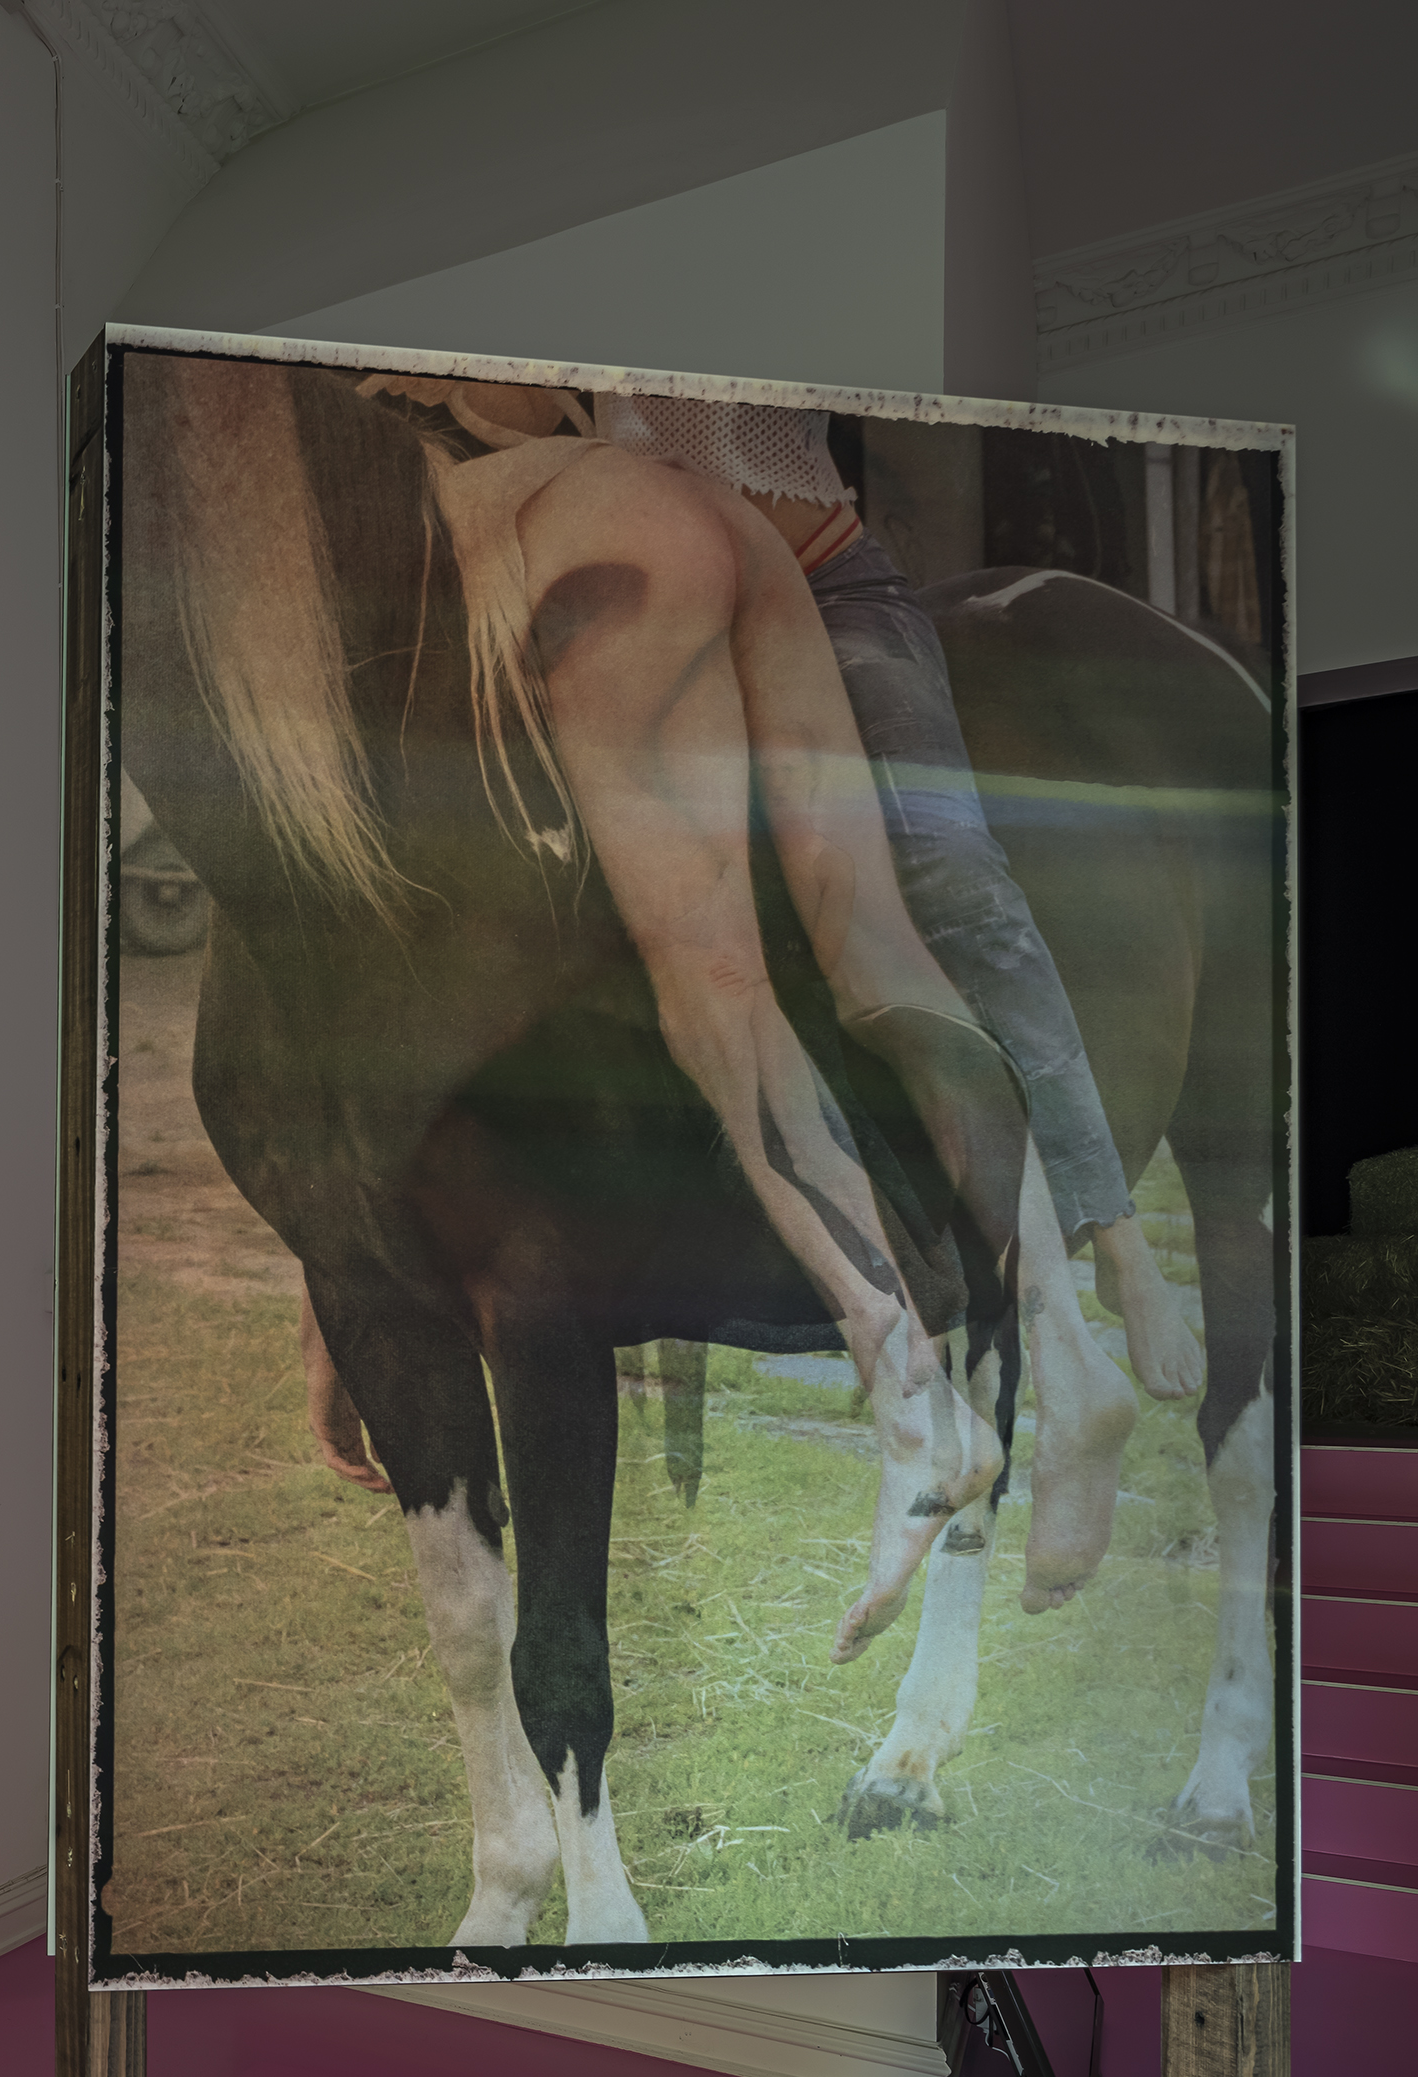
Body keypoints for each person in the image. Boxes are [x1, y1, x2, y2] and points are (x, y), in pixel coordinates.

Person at [336, 373, 1181, 1626]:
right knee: (787, 965)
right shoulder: (539, 415)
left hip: (818, 588)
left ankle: (1095, 1278)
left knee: (948, 899)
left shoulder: (661, 361)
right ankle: (1007, 1359)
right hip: (693, 610)